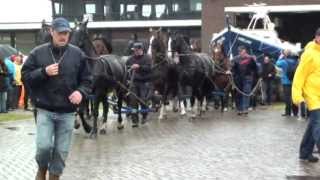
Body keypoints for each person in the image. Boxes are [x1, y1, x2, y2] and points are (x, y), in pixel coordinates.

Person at [21, 17, 92, 180]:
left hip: (67, 112)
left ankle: (54, 176)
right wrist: (43, 72)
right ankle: (41, 169)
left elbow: (87, 80)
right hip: (45, 110)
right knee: (44, 147)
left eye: (66, 33)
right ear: (52, 32)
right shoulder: (37, 53)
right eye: (60, 33)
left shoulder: (78, 54)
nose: (63, 36)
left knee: (61, 151)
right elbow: (25, 76)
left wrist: (81, 92)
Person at [292, 28, 320, 163]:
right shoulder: (309, 54)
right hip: (312, 95)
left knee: (313, 125)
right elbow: (299, 76)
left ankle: (305, 152)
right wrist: (297, 97)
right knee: (318, 123)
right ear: (317, 37)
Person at [126, 42, 152, 127]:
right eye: (134, 50)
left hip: (144, 82)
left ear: (141, 50)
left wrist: (139, 67)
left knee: (143, 99)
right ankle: (135, 121)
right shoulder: (130, 59)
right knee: (133, 100)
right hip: (133, 83)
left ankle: (144, 116)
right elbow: (126, 68)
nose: (135, 52)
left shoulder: (147, 58)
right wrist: (129, 69)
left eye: (137, 50)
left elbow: (149, 68)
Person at [231, 46, 258, 115]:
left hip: (247, 78)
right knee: (238, 94)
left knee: (246, 93)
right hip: (238, 79)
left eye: (241, 51)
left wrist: (257, 76)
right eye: (239, 51)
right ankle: (239, 109)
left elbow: (255, 69)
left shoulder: (250, 59)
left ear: (245, 51)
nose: (240, 52)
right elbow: (233, 69)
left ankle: (245, 109)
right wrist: (230, 72)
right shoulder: (235, 59)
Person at [276, 49, 298, 116]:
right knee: (294, 97)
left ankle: (287, 112)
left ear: (285, 54)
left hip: (286, 82)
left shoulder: (283, 62)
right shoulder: (296, 61)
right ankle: (295, 112)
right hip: (294, 82)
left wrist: (281, 56)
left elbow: (277, 63)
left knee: (287, 97)